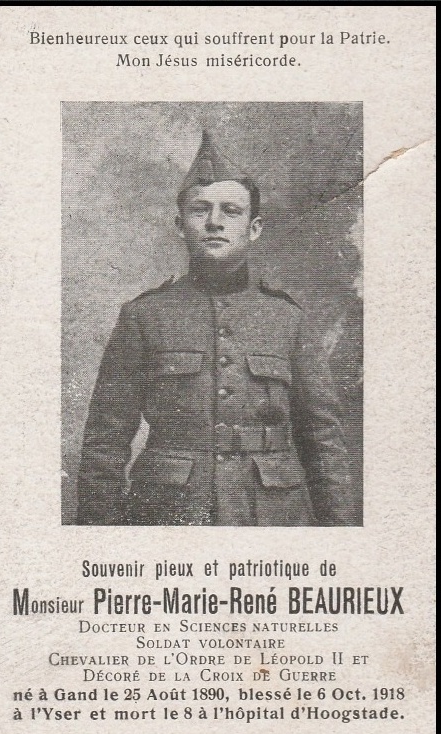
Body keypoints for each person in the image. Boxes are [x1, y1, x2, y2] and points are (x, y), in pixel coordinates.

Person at [77, 130, 354, 526]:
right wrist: (99, 536)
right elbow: (105, 440)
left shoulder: (288, 318)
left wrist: (342, 534)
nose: (214, 222)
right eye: (200, 210)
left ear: (254, 228)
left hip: (274, 517)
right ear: (180, 225)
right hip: (169, 513)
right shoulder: (144, 316)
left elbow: (323, 441)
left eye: (231, 211)